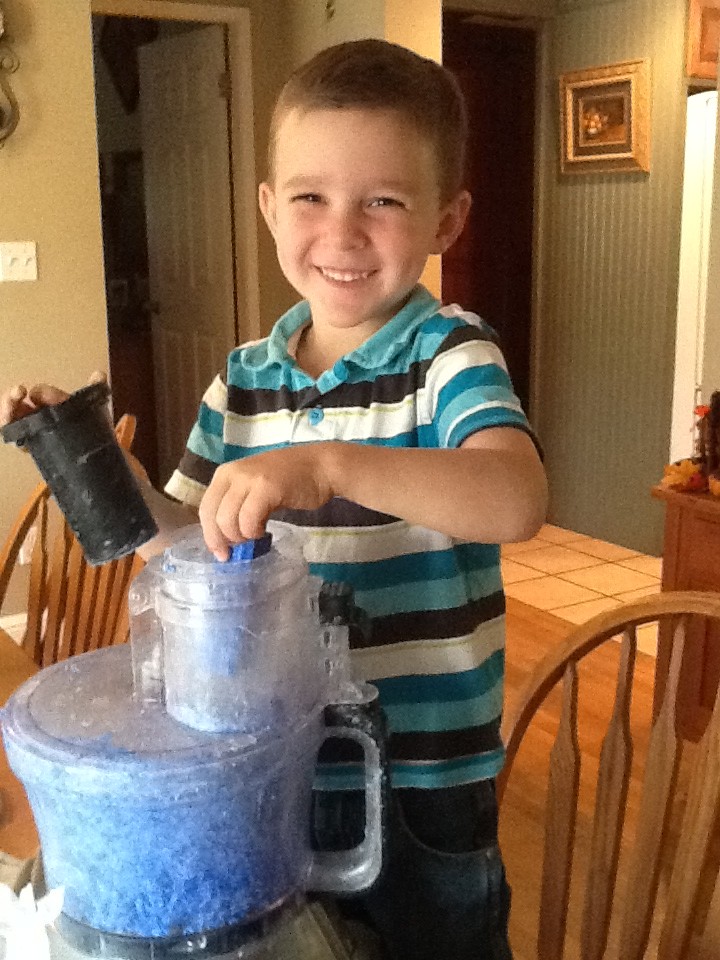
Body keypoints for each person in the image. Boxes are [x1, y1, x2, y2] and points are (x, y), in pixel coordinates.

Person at [0, 39, 547, 960]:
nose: (343, 233)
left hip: (419, 782)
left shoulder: (451, 355)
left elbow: (516, 498)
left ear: (446, 221)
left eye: (383, 201)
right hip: (268, 767)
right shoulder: (244, 380)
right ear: (268, 207)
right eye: (310, 197)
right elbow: (190, 540)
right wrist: (92, 462)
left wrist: (329, 464)